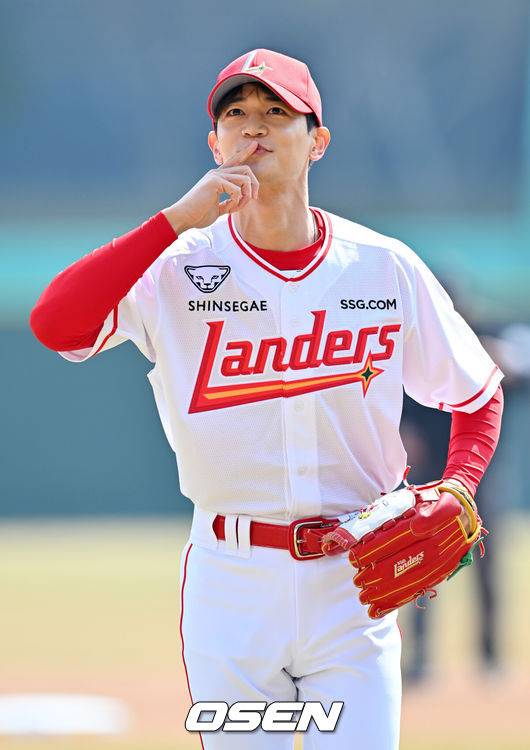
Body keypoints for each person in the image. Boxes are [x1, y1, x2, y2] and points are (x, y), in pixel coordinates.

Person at [30, 49, 504, 749]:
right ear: (215, 144)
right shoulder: (177, 267)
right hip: (232, 583)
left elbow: (477, 391)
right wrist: (174, 221)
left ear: (318, 141)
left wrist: (459, 486)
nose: (254, 127)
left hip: (355, 580)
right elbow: (55, 325)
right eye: (236, 113)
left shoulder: (383, 266)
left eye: (277, 112)